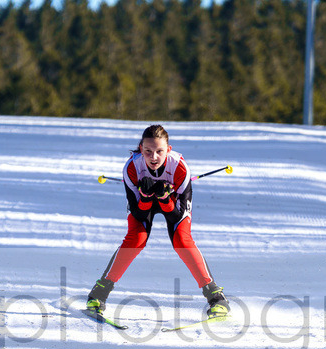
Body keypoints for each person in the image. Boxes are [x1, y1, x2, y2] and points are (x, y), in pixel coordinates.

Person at [87, 124, 230, 318]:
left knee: (182, 239)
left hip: (173, 204)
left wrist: (164, 199)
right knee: (136, 239)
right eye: (148, 151)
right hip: (143, 205)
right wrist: (146, 197)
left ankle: (216, 297)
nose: (153, 157)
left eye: (159, 151)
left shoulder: (179, 168)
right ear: (141, 148)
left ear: (168, 150)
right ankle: (99, 294)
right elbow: (137, 214)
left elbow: (176, 216)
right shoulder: (132, 168)